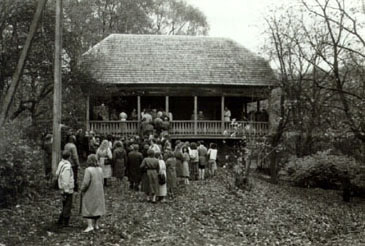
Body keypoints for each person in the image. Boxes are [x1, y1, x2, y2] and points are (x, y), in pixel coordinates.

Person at [81, 154, 106, 232]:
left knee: (88, 206)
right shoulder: (100, 169)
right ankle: (96, 224)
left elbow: (86, 182)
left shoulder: (88, 170)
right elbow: (102, 180)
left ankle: (90, 225)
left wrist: (82, 189)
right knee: (97, 207)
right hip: (99, 190)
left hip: (90, 190)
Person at [56, 150, 74, 227]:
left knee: (65, 204)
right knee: (68, 205)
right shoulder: (67, 167)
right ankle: (64, 221)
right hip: (67, 189)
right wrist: (66, 190)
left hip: (62, 187)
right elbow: (66, 180)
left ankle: (61, 220)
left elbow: (57, 173)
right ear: (69, 157)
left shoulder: (61, 163)